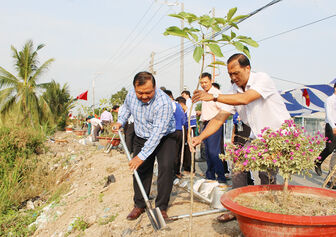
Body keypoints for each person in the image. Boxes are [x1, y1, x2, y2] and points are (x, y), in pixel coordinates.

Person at [192, 53, 290, 222]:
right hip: (257, 137)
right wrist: (200, 137)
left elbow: (245, 99)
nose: (233, 77)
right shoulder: (233, 91)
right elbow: (220, 117)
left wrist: (214, 96)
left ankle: (269, 213)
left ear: (247, 68)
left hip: (277, 135)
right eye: (230, 74)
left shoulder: (262, 79)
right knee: (238, 165)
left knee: (266, 173)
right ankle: (237, 209)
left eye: (236, 73)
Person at [113, 71, 176, 221]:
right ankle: (139, 204)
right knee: (141, 170)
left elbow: (157, 134)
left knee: (166, 169)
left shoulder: (163, 102)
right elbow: (126, 109)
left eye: (148, 92)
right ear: (135, 88)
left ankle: (161, 207)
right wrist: (120, 121)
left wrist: (141, 156)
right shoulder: (130, 95)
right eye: (140, 93)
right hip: (141, 136)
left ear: (155, 87)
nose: (144, 96)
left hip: (164, 138)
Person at [197, 72, 227, 183]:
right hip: (205, 124)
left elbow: (223, 109)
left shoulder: (215, 94)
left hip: (214, 123)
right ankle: (210, 175)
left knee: (214, 151)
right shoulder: (204, 94)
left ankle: (221, 176)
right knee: (208, 151)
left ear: (210, 81)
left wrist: (215, 122)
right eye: (201, 83)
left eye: (205, 82)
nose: (203, 84)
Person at [164, 90, 186, 179]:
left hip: (171, 131)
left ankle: (171, 173)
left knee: (169, 153)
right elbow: (184, 119)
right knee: (177, 152)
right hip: (180, 131)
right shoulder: (179, 106)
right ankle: (177, 172)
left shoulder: (168, 105)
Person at [315, 83, 336, 176]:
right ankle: (317, 162)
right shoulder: (329, 100)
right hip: (331, 125)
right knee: (330, 148)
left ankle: (331, 176)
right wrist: (333, 126)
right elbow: (329, 114)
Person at [176, 96, 194, 174]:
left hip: (190, 132)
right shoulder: (184, 112)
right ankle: (187, 168)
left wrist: (188, 136)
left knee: (190, 150)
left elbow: (191, 125)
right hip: (186, 131)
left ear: (181, 104)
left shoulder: (190, 111)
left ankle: (191, 169)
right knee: (186, 151)